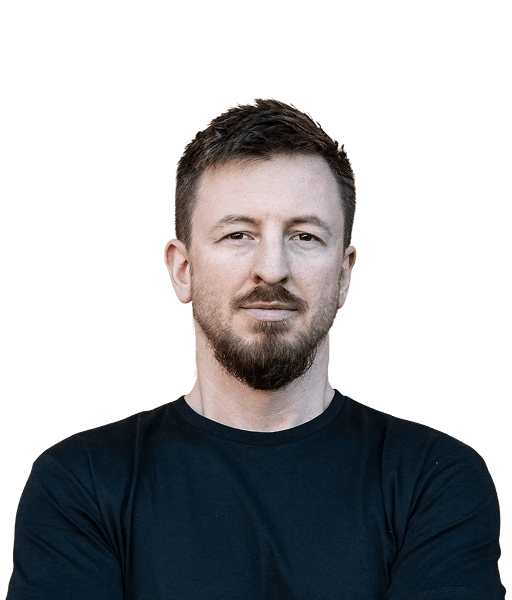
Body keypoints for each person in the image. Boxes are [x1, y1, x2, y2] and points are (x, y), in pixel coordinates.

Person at [7, 99, 504, 599]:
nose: (272, 269)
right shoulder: (82, 482)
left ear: (344, 274)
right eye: (238, 234)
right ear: (183, 270)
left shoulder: (433, 480)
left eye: (304, 236)